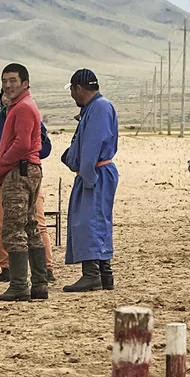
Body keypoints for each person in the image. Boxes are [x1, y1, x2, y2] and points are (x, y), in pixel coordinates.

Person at [0, 90, 56, 284]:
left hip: (26, 176)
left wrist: (26, 152)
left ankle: (46, 268)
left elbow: (45, 148)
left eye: (12, 93)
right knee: (1, 225)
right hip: (0, 179)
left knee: (37, 223)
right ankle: (7, 267)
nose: (8, 98)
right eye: (4, 94)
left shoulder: (28, 115)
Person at [0, 63, 49, 302]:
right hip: (28, 170)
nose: (8, 85)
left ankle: (18, 285)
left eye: (13, 80)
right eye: (5, 80)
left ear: (25, 83)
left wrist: (2, 164)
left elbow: (23, 144)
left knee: (14, 228)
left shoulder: (23, 108)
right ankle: (39, 283)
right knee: (30, 225)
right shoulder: (21, 106)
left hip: (19, 171)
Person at [61, 68, 119, 293]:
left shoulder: (99, 108)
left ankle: (92, 274)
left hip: (95, 173)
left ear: (78, 88)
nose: (72, 96)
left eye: (72, 91)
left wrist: (87, 175)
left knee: (89, 221)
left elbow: (92, 145)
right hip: (97, 171)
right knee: (96, 219)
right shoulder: (95, 108)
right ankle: (105, 274)